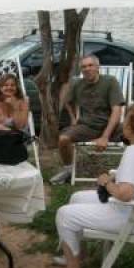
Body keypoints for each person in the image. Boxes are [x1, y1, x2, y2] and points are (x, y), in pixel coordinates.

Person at [45, 105, 134, 268]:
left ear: (131, 127)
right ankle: (78, 255)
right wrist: (117, 175)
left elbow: (125, 194)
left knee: (64, 214)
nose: (123, 124)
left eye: (125, 121)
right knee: (77, 198)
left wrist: (107, 183)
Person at [50, 55, 125, 185]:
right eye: (83, 67)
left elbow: (116, 111)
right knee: (63, 139)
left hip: (111, 127)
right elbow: (67, 101)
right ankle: (68, 170)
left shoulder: (110, 81)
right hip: (87, 127)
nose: (87, 69)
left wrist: (105, 137)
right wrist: (73, 118)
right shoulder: (77, 83)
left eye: (90, 65)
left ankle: (130, 170)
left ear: (97, 67)